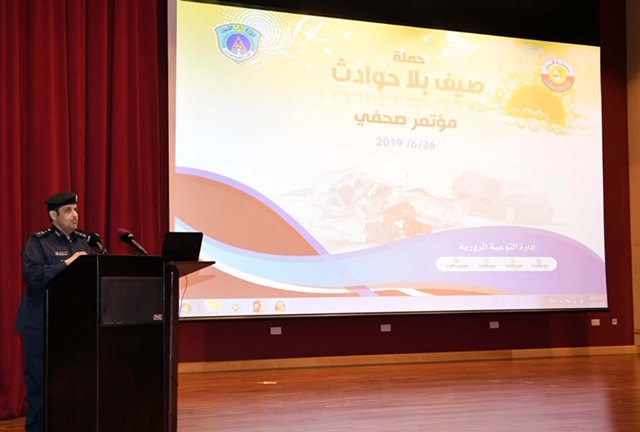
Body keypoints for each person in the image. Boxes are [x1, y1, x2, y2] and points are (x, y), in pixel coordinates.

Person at [15, 192, 96, 432]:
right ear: (53, 215)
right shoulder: (38, 242)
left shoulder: (85, 242)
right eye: (68, 210)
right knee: (40, 385)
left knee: (71, 385)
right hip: (40, 324)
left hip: (72, 326)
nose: (75, 215)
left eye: (76, 210)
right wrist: (68, 262)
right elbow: (34, 277)